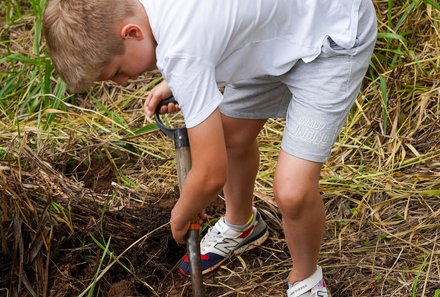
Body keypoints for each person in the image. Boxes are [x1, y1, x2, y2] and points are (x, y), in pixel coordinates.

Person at [43, 0, 377, 296]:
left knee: (293, 190)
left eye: (116, 71)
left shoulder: (180, 51)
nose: (123, 82)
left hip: (330, 39)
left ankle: (305, 277)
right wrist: (181, 80)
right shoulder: (162, 24)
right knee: (231, 138)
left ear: (132, 33)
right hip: (267, 40)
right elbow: (212, 26)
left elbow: (210, 173)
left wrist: (181, 213)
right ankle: (241, 223)